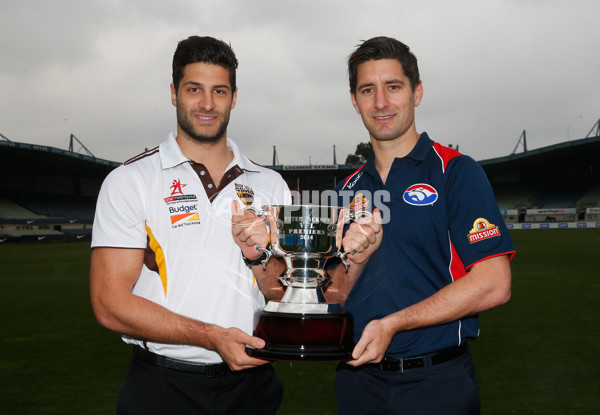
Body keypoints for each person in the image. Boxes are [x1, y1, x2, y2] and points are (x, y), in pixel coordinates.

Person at [90, 35, 290, 415]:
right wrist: (212, 337)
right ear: (173, 92)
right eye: (194, 89)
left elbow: (282, 292)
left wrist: (262, 256)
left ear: (234, 97)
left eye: (219, 91)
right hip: (163, 387)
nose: (207, 104)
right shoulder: (131, 180)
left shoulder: (270, 185)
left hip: (252, 383)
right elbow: (108, 303)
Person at [326, 36, 516, 414]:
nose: (381, 103)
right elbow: (333, 297)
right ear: (354, 100)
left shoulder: (455, 172)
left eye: (393, 87)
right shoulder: (345, 191)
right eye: (368, 90)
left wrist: (393, 324)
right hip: (357, 382)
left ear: (417, 92)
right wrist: (354, 263)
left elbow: (495, 283)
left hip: (437, 383)